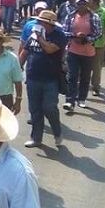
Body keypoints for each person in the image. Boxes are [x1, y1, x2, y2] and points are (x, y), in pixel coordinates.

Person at [18, 10, 67, 148]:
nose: (38, 24)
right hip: (33, 77)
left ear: (49, 25)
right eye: (38, 22)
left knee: (49, 107)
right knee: (35, 109)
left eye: (42, 22)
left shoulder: (58, 36)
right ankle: (36, 138)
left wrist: (40, 37)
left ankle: (57, 132)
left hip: (50, 79)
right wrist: (18, 68)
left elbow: (50, 49)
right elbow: (25, 52)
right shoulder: (33, 36)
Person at [62, 0, 101, 112]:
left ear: (88, 4)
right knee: (72, 76)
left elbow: (98, 33)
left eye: (84, 3)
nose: (82, 6)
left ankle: (82, 98)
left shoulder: (94, 17)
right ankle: (70, 100)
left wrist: (85, 39)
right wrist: (75, 37)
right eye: (79, 4)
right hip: (73, 50)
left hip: (88, 51)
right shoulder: (71, 16)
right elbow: (65, 31)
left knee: (85, 76)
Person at [88, 0, 105, 96]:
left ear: (95, 0)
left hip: (99, 44)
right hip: (85, 44)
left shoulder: (104, 12)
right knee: (85, 67)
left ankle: (96, 86)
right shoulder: (85, 12)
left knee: (97, 67)